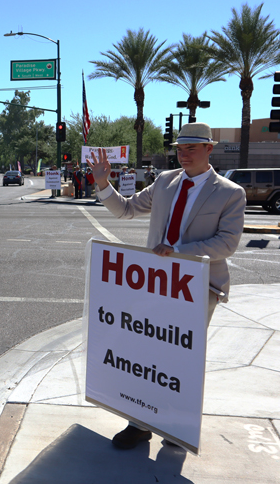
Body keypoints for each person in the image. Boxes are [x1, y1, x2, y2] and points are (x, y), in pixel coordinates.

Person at [87, 122, 246, 450]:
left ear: (209, 149)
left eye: (191, 148)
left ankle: (177, 426)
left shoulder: (230, 193)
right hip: (155, 285)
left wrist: (179, 253)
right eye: (180, 148)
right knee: (146, 353)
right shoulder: (164, 182)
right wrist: (103, 184)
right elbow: (127, 210)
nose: (183, 154)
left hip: (198, 288)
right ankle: (139, 424)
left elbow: (227, 243)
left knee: (182, 358)